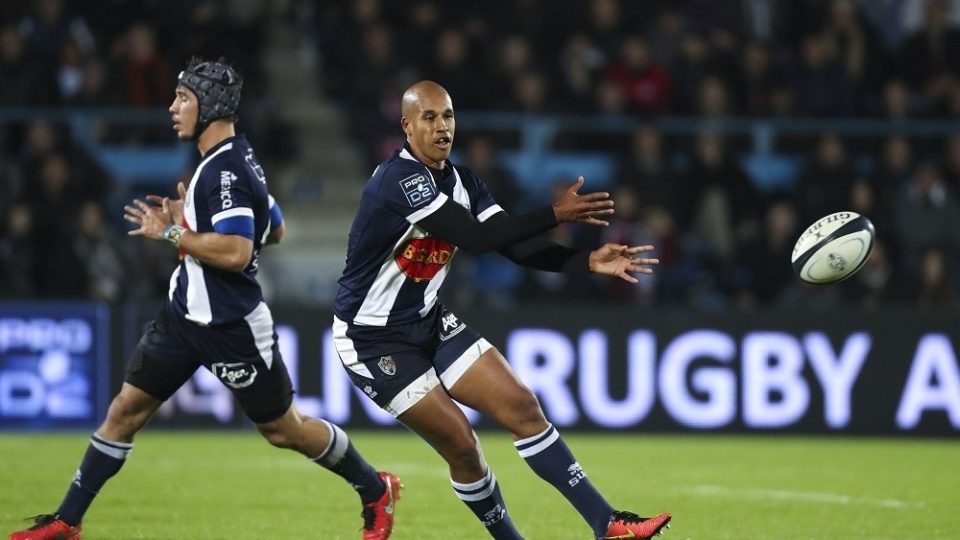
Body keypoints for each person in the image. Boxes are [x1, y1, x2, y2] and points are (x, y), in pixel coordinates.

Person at [10, 57, 401, 540]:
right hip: (182, 318)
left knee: (285, 430)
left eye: (183, 99)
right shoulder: (229, 159)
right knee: (124, 411)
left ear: (210, 105)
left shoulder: (227, 171)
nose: (172, 108)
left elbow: (238, 252)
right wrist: (195, 227)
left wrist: (173, 231)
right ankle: (67, 520)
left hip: (232, 325)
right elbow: (273, 229)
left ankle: (374, 488)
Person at [332, 80, 671, 540]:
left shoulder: (464, 181)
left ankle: (606, 522)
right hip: (371, 340)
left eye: (448, 115)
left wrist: (584, 261)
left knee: (522, 407)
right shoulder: (398, 180)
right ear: (407, 126)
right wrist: (555, 214)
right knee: (463, 446)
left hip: (429, 321)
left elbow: (512, 244)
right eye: (429, 118)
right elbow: (474, 239)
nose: (441, 126)